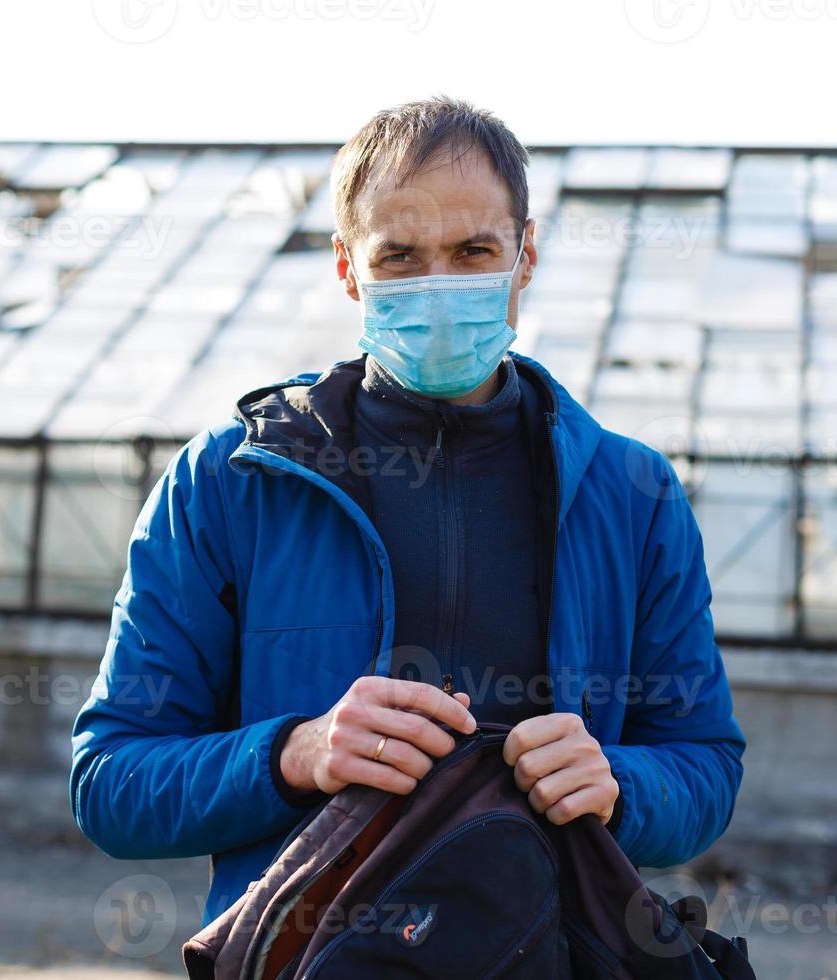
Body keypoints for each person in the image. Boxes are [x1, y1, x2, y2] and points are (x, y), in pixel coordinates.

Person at [70, 96, 745, 925]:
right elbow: (110, 781)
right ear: (348, 268)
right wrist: (293, 754)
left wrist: (620, 783)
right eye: (400, 258)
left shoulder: (631, 494)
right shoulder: (229, 482)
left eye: (473, 251)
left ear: (525, 256)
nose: (439, 289)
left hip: (553, 951)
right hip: (310, 956)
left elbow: (705, 765)